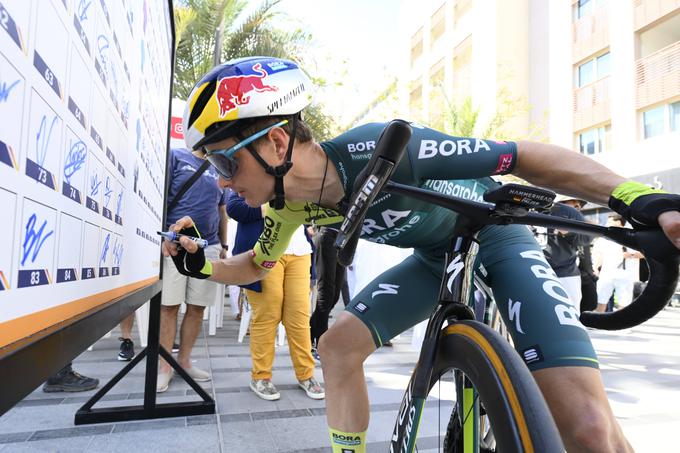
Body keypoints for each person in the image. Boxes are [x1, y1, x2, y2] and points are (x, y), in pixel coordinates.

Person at [163, 57, 680, 453]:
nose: (222, 180)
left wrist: (633, 196)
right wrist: (199, 263)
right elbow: (255, 264)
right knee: (339, 347)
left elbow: (523, 156)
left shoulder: (382, 149)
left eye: (225, 160)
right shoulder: (287, 205)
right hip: (436, 257)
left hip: (497, 240)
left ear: (276, 143)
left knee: (588, 430)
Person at [227, 192, 323, 401]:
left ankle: (306, 375)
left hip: (299, 253)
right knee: (267, 315)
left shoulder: (299, 179)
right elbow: (233, 208)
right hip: (265, 252)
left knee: (299, 317)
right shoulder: (256, 174)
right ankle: (260, 376)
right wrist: (270, 209)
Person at [157, 147, 229, 393]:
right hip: (174, 243)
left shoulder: (220, 164)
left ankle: (184, 361)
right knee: (169, 306)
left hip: (207, 245)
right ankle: (164, 367)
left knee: (197, 307)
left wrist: (223, 244)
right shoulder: (176, 156)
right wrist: (164, 234)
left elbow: (222, 209)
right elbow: (161, 195)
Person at [540, 195, 592, 309]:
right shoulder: (539, 214)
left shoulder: (577, 220)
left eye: (579, 206)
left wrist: (568, 232)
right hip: (537, 273)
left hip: (566, 274)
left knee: (570, 312)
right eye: (575, 204)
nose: (578, 208)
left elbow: (586, 239)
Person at [309, 227, 350, 358]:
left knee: (334, 296)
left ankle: (307, 334)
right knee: (325, 295)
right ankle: (322, 344)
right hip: (327, 233)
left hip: (344, 236)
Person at [593, 214, 642, 313]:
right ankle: (598, 321)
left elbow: (644, 254)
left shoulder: (632, 236)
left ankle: (621, 325)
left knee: (624, 303)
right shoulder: (604, 237)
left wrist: (630, 255)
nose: (607, 224)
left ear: (619, 222)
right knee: (601, 299)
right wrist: (595, 268)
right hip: (606, 273)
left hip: (626, 274)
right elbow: (599, 255)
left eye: (610, 222)